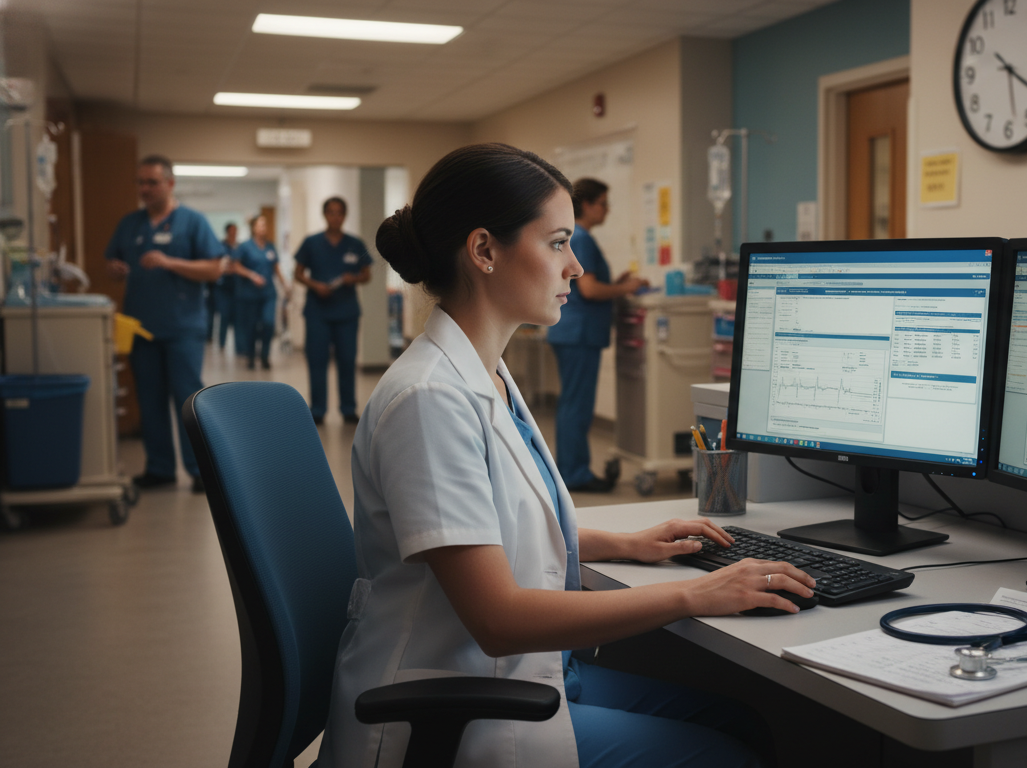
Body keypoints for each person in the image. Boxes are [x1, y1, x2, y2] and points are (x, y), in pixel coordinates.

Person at [319, 143, 814, 768]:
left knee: (741, 719)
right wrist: (696, 594)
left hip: (514, 672)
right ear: (484, 251)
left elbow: (492, 525)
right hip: (451, 708)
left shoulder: (484, 372)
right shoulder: (428, 399)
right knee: (727, 754)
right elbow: (498, 618)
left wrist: (629, 543)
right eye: (557, 243)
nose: (576, 267)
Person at [104, 155, 227, 493]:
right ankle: (159, 468)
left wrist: (170, 262)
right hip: (141, 328)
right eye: (140, 182)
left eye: (152, 182)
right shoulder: (130, 224)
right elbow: (111, 262)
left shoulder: (192, 222)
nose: (144, 188)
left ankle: (200, 471)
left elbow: (214, 270)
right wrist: (114, 270)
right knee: (149, 399)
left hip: (182, 327)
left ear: (170, 184)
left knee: (188, 400)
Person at [547, 178, 647, 493]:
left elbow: (587, 284)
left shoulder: (574, 237)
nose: (607, 209)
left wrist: (614, 282)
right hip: (580, 333)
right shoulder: (583, 238)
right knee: (577, 405)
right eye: (603, 203)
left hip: (572, 331)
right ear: (587, 205)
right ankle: (574, 473)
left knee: (571, 403)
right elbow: (589, 290)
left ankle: (569, 469)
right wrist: (625, 288)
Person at [293, 197, 373, 424]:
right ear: (324, 214)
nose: (335, 217)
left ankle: (348, 408)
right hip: (317, 312)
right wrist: (315, 285)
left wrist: (353, 278)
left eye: (339, 213)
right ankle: (317, 410)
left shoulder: (355, 244)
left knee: (347, 360)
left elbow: (367, 275)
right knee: (317, 361)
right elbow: (298, 273)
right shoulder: (311, 242)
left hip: (346, 313)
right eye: (331, 212)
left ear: (345, 216)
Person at [231, 216, 289, 370]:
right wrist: (252, 275)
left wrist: (285, 285)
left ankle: (264, 355)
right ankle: (250, 355)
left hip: (268, 293)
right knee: (251, 327)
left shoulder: (271, 247)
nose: (263, 227)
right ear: (253, 227)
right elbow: (236, 266)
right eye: (260, 224)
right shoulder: (245, 246)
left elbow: (276, 268)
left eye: (265, 224)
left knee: (268, 323)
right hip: (249, 294)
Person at [215, 222, 239, 351]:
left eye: (236, 230)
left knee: (237, 317)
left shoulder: (239, 247)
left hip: (237, 286)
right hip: (223, 287)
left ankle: (238, 345)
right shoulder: (221, 246)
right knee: (224, 316)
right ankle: (222, 343)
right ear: (227, 231)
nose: (234, 232)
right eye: (232, 230)